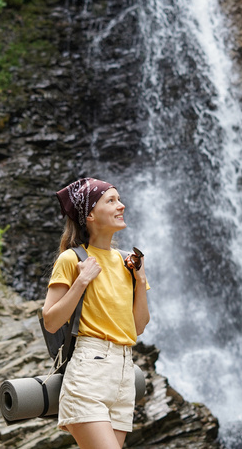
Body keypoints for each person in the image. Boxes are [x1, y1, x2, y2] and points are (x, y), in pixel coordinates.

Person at [42, 177, 150, 449]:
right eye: (111, 200)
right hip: (90, 370)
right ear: (89, 214)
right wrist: (81, 282)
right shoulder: (72, 259)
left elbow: (138, 327)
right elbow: (51, 321)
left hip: (124, 372)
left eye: (119, 199)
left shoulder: (128, 262)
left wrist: (140, 281)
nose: (121, 205)